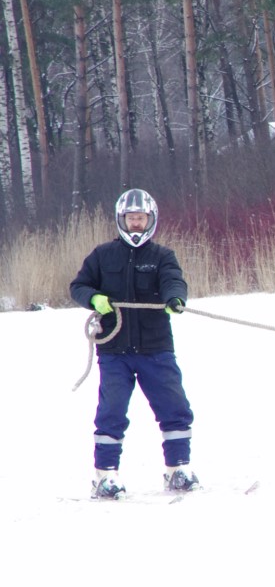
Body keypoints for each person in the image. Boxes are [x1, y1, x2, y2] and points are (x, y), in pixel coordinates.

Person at [70, 189, 200, 500]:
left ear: (150, 220)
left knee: (175, 407)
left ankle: (178, 469)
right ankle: (105, 475)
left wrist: (175, 298)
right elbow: (79, 285)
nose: (136, 224)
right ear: (122, 220)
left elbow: (174, 280)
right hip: (115, 352)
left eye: (141, 218)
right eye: (131, 218)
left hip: (156, 349)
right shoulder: (102, 255)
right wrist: (94, 298)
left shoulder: (162, 256)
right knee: (112, 411)